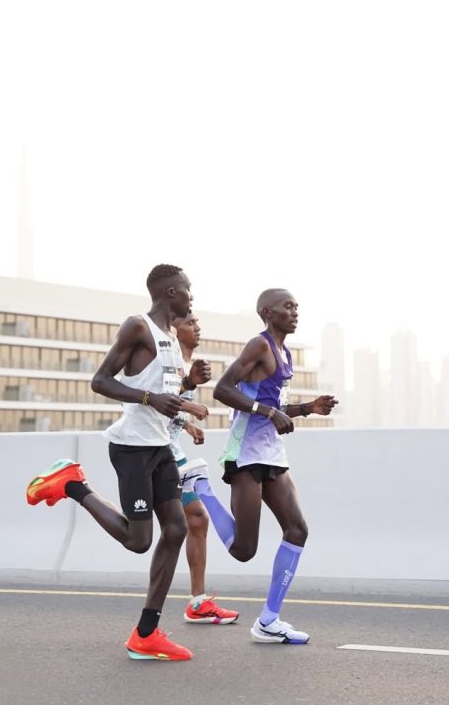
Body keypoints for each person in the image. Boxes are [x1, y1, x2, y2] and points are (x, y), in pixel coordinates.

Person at [26, 264, 209, 662]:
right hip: (131, 449)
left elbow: (165, 394)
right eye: (189, 291)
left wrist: (188, 389)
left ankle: (146, 633)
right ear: (172, 292)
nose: (193, 298)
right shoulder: (137, 326)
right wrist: (149, 400)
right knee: (139, 541)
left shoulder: (173, 341)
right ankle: (72, 484)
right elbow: (101, 380)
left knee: (176, 529)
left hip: (160, 448)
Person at [210, 288, 338, 644]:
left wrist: (307, 408)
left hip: (272, 454)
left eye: (297, 307)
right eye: (288, 307)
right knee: (243, 550)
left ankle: (268, 620)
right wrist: (268, 412)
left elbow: (275, 405)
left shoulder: (286, 352)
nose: (295, 312)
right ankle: (200, 489)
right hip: (245, 454)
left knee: (297, 530)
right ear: (268, 312)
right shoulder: (259, 345)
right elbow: (222, 390)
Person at [168, 313, 239, 625]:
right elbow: (154, 401)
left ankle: (198, 602)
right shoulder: (169, 359)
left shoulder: (186, 363)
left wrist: (187, 426)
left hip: (172, 451)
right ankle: (75, 488)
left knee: (196, 520)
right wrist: (188, 405)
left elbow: (167, 410)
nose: (197, 328)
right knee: (139, 534)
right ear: (174, 329)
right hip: (153, 452)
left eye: (198, 323)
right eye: (190, 323)